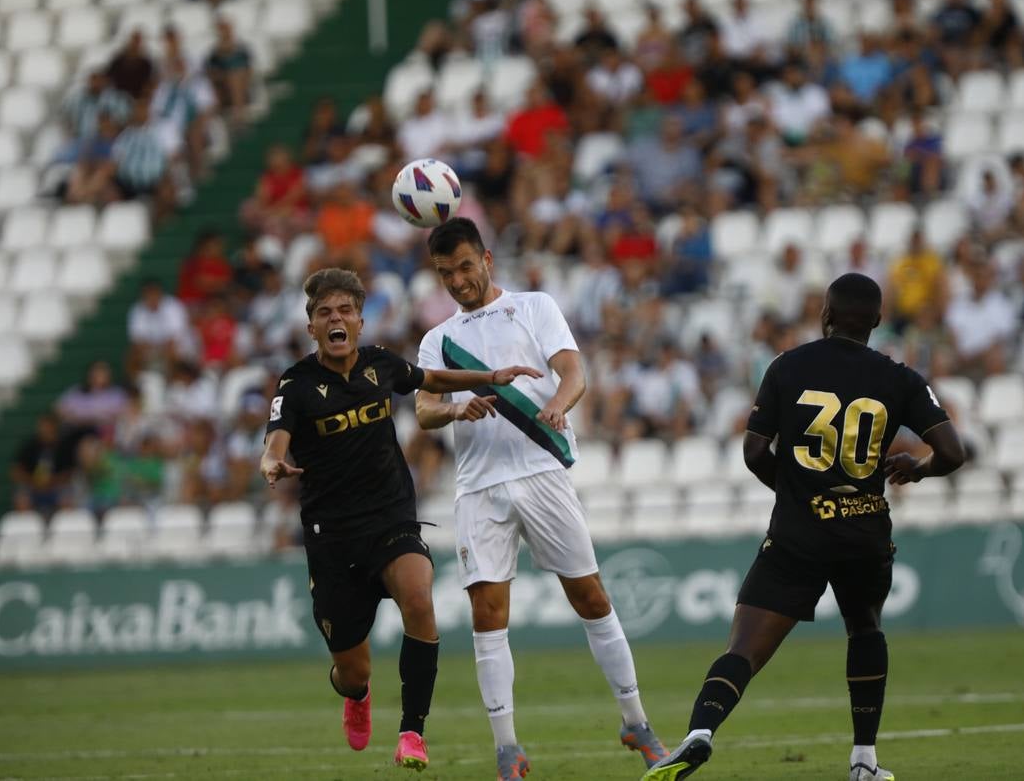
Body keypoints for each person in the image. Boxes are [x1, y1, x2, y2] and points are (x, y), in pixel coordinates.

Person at [643, 273, 965, 781]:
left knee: (743, 650)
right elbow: (952, 452)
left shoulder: (787, 367)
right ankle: (864, 761)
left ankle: (699, 733)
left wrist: (798, 496)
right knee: (865, 627)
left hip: (798, 534)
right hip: (864, 530)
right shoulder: (900, 378)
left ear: (825, 315)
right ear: (878, 322)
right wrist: (916, 468)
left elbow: (753, 451)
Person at [413, 218, 669, 780]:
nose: (457, 281)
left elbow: (574, 371)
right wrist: (456, 408)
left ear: (486, 259)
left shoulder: (533, 307)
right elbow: (425, 409)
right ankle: (507, 749)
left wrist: (559, 404)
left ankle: (636, 722)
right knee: (488, 613)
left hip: (540, 470)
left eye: (463, 267)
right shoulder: (437, 340)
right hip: (478, 487)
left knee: (590, 597)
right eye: (444, 274)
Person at [259, 267, 542, 773]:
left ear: (360, 322)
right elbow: (276, 438)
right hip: (332, 537)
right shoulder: (296, 384)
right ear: (312, 328)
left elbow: (430, 379)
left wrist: (489, 376)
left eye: (345, 310)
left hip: (391, 517)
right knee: (352, 668)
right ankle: (357, 694)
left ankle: (413, 730)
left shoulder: (380, 366)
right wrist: (270, 461)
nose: (336, 318)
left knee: (418, 594)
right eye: (325, 312)